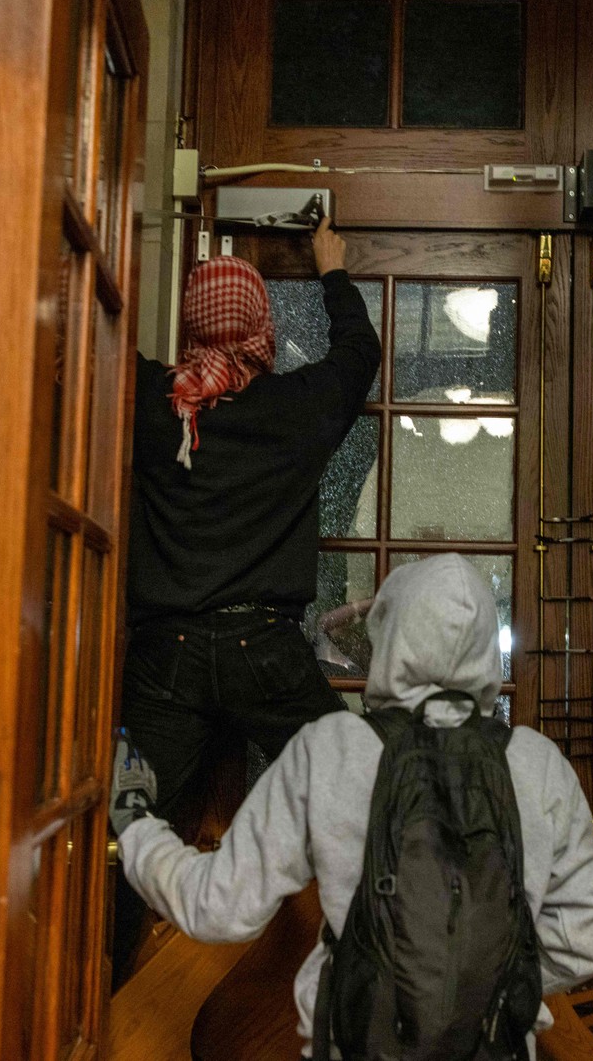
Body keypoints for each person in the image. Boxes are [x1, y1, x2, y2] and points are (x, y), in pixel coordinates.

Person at [113, 555, 593, 1059]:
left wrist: (135, 822)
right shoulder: (538, 764)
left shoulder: (332, 750)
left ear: (392, 635)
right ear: (487, 647)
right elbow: (587, 937)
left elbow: (216, 908)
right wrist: (488, 980)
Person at [115, 217, 380, 976]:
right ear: (262, 324)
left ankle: (107, 995)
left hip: (164, 657)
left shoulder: (154, 401)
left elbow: (95, 340)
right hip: (263, 649)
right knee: (360, 794)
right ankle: (362, 983)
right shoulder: (292, 409)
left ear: (191, 323)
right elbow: (359, 355)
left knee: (129, 832)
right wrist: (331, 268)